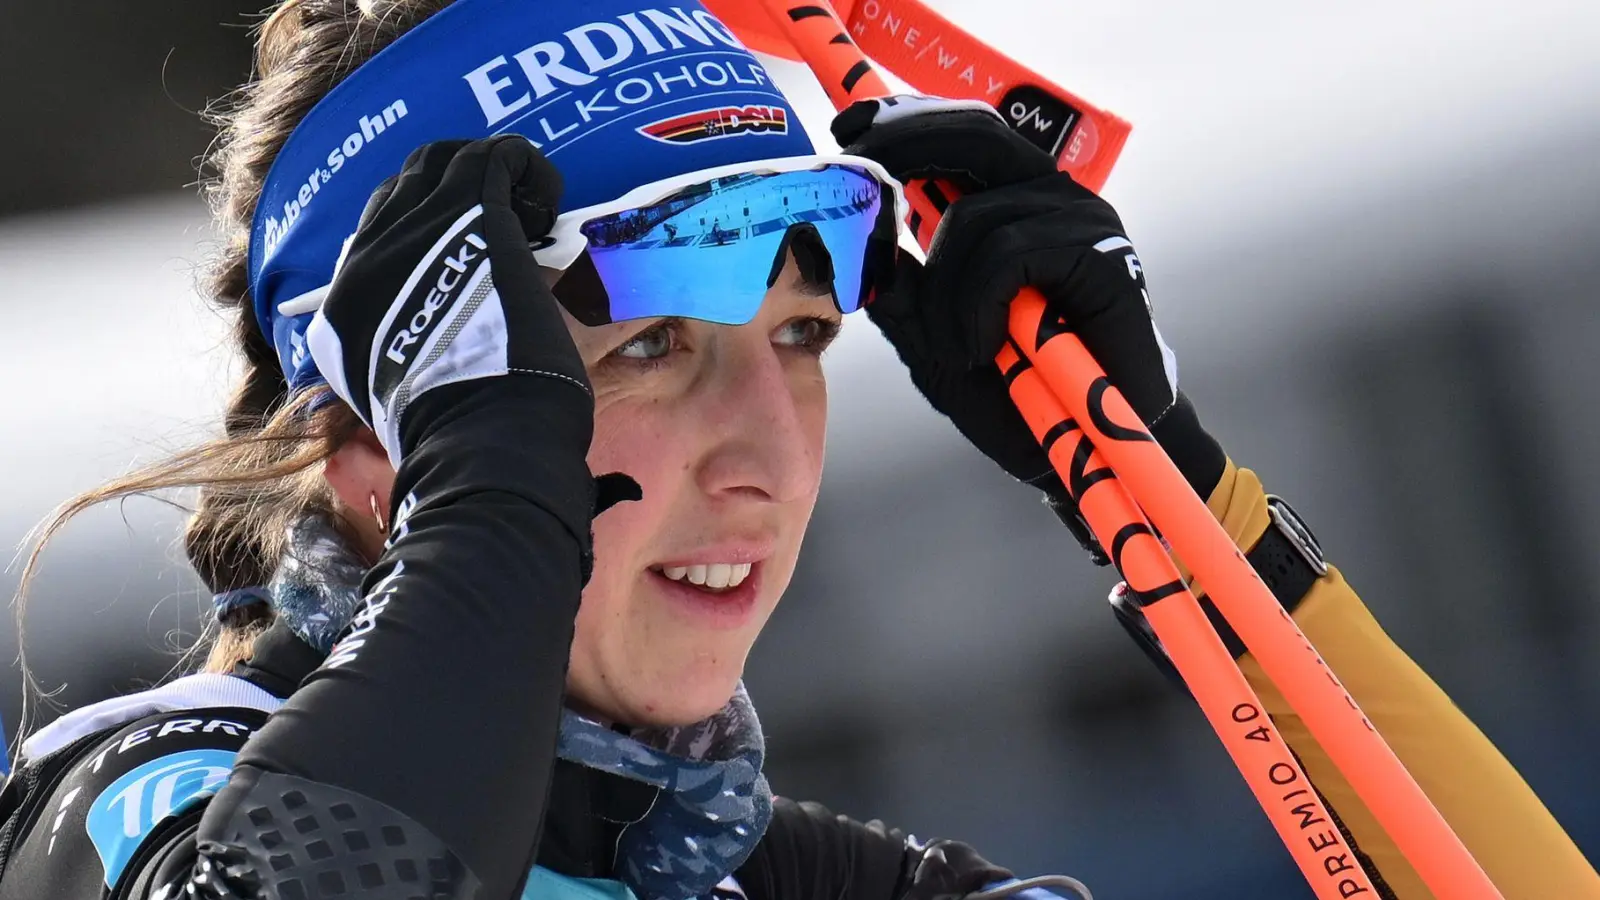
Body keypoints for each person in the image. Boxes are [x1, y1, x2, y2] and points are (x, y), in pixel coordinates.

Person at [0, 2, 1594, 900]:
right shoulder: (135, 799)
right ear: (375, 452)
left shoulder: (800, 891)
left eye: (803, 339)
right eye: (646, 349)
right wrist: (494, 513)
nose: (765, 452)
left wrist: (1177, 495)